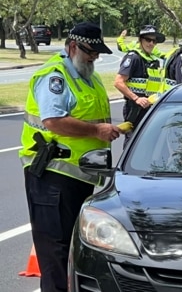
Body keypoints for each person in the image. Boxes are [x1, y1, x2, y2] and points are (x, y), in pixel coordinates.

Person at [19, 22, 122, 292]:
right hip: (54, 174)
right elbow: (53, 120)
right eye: (90, 52)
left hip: (80, 177)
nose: (94, 58)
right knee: (55, 250)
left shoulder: (88, 75)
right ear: (73, 46)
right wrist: (97, 130)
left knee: (75, 249)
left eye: (98, 53)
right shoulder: (56, 75)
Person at [114, 24, 165, 147]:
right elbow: (118, 82)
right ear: (140, 40)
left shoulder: (152, 59)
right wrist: (136, 98)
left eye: (154, 41)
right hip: (135, 109)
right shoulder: (134, 57)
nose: (151, 43)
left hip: (150, 108)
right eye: (148, 40)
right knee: (133, 144)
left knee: (148, 144)